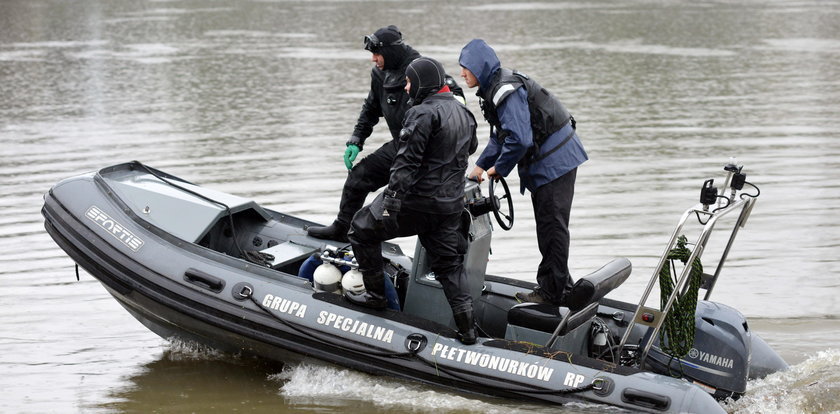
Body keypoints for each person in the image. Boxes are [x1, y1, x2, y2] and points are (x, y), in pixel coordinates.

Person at [345, 56, 479, 345]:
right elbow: (472, 147)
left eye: (408, 82)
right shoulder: (464, 113)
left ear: (421, 83)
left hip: (416, 202)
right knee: (449, 266)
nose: (406, 88)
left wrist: (391, 202)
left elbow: (405, 162)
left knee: (361, 229)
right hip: (449, 205)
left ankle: (375, 296)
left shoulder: (421, 113)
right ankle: (468, 330)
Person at [459, 39, 588, 306]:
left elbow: (519, 139)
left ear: (480, 69)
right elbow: (501, 136)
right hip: (551, 161)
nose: (462, 74)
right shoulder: (494, 88)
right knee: (550, 226)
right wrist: (481, 167)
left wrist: (501, 168)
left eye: (466, 68)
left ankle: (552, 293)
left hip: (556, 162)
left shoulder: (504, 90)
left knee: (552, 226)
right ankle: (561, 284)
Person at [307, 25, 464, 242]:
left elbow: (455, 100)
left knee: (408, 203)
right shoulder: (380, 75)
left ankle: (375, 235)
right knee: (357, 178)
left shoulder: (421, 69)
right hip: (401, 144)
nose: (373, 59)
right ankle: (343, 228)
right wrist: (357, 139)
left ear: (389, 51)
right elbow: (371, 108)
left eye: (376, 53)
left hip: (427, 150)